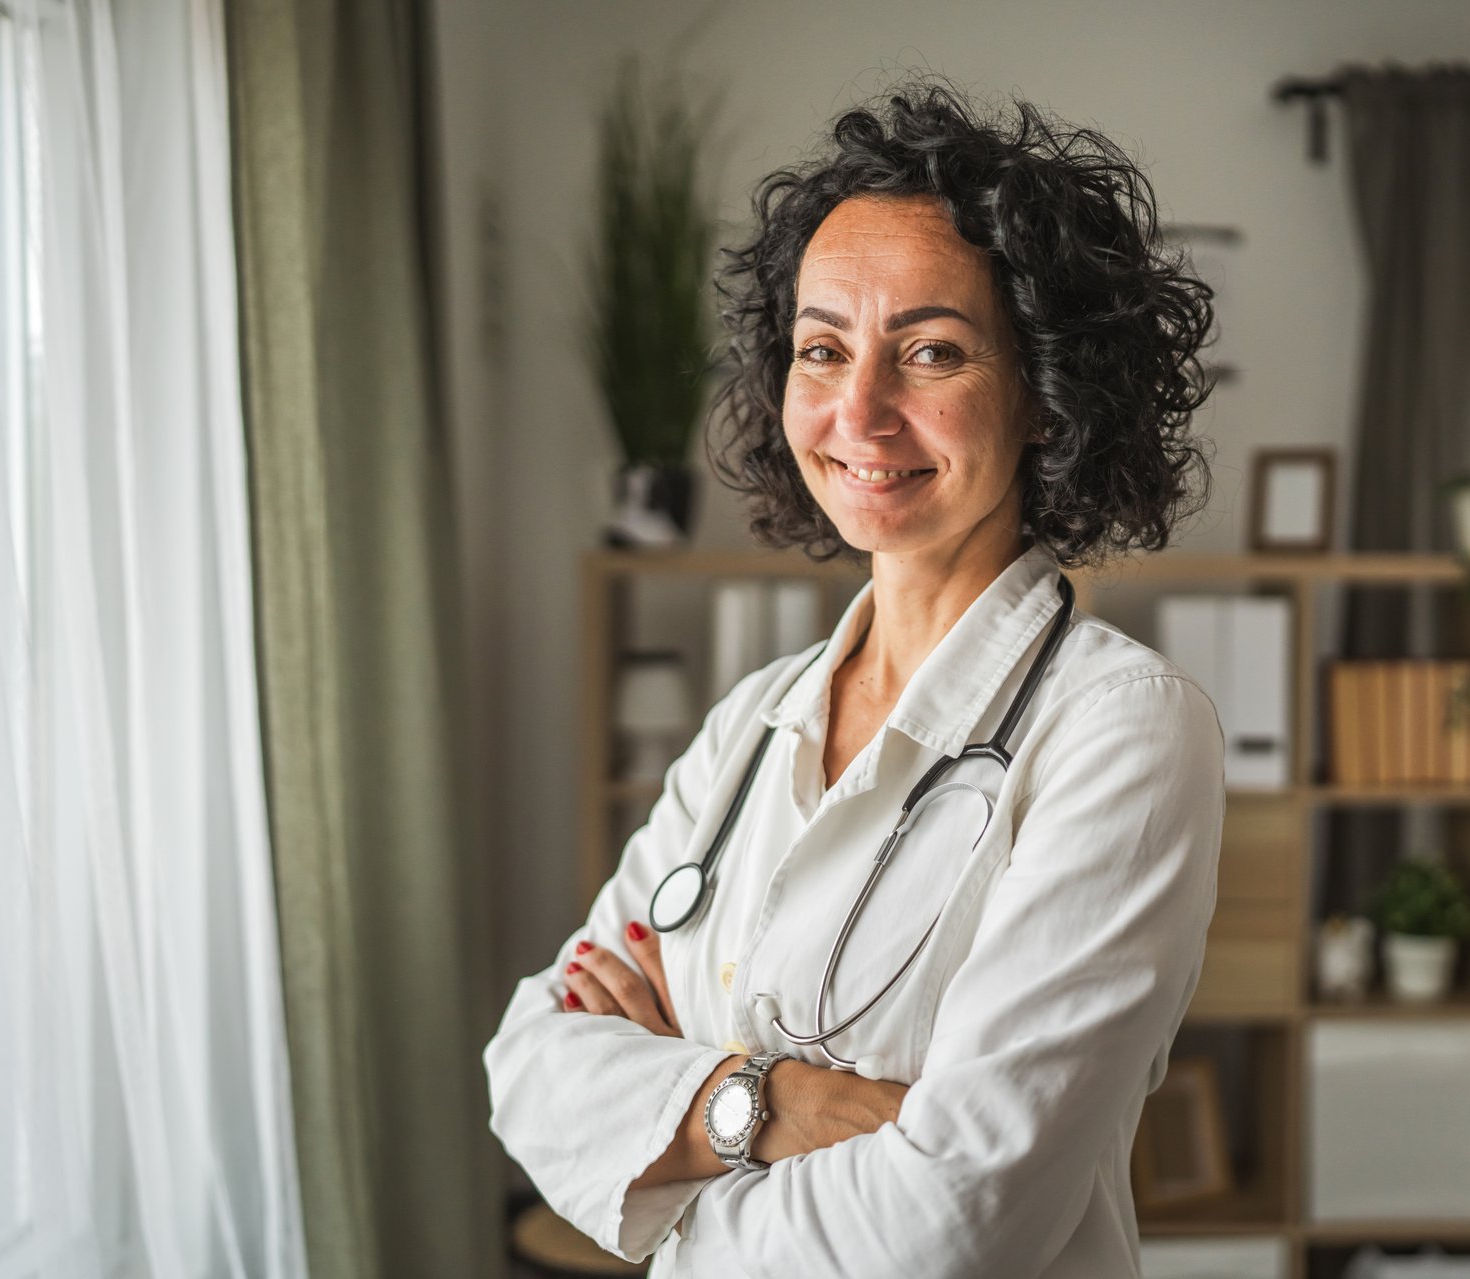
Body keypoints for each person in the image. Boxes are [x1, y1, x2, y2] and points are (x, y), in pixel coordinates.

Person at [484, 79, 1225, 1278]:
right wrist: (775, 1105)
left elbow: (957, 1222)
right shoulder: (751, 723)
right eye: (822, 349)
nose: (860, 411)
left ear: (1045, 392)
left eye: (932, 351)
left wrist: (671, 1131)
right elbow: (527, 1065)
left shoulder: (1121, 729)